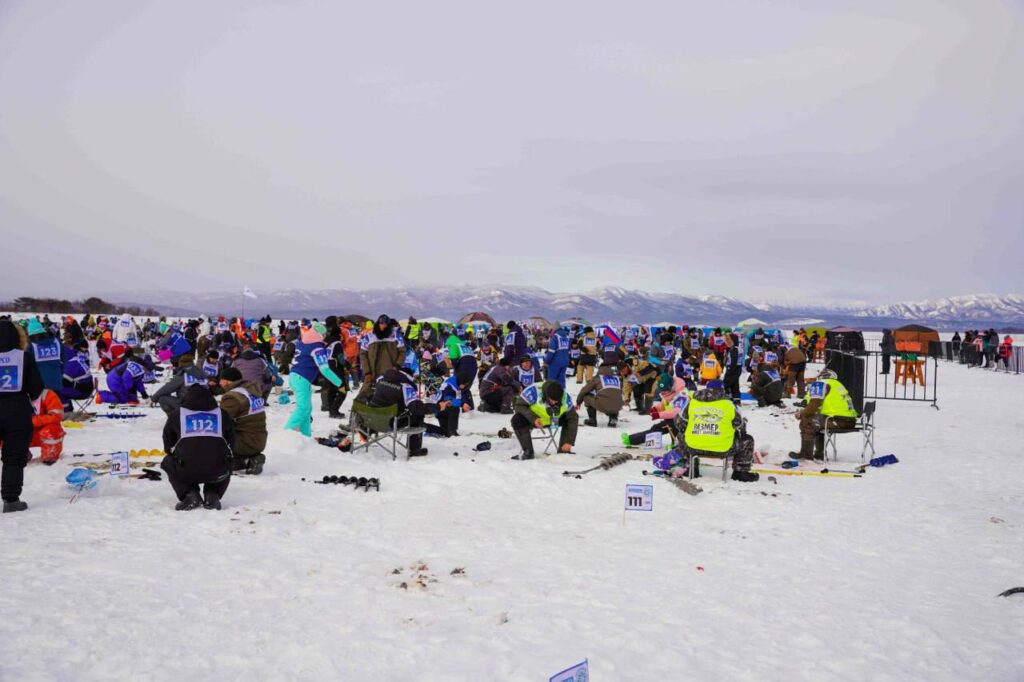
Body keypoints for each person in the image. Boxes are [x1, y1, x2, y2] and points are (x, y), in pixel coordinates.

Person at [160, 384, 235, 510]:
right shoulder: (221, 414)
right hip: (217, 470)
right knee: (228, 460)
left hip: (186, 469)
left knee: (168, 461)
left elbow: (168, 441)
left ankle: (189, 494)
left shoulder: (177, 414)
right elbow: (232, 440)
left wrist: (175, 453)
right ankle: (213, 494)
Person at [0, 320, 44, 512]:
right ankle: (11, 500)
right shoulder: (25, 357)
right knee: (13, 457)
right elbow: (36, 388)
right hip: (16, 411)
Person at [674, 381, 757, 481]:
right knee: (748, 440)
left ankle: (691, 467)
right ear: (722, 390)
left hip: (694, 447)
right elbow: (740, 427)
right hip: (723, 449)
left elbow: (679, 423)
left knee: (681, 435)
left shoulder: (692, 402)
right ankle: (740, 472)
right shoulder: (729, 404)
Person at [363, 366, 441, 457]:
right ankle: (414, 449)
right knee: (417, 414)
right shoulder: (405, 386)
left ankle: (365, 432)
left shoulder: (380, 379)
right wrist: (438, 407)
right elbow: (416, 408)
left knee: (379, 405)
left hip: (371, 419)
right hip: (390, 423)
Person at [285, 322, 344, 437]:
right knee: (303, 408)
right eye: (324, 335)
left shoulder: (303, 343)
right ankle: (287, 433)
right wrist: (339, 383)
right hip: (301, 379)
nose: (325, 337)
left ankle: (305, 435)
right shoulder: (317, 347)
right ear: (319, 334)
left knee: (307, 409)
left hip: (296, 377)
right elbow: (325, 369)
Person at [790, 370, 857, 460]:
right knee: (817, 422)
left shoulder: (821, 384)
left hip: (837, 420)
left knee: (807, 422)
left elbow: (814, 405)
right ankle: (818, 454)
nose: (808, 382)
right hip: (848, 421)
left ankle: (806, 454)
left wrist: (802, 414)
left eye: (809, 380)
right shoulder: (837, 384)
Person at [510, 380, 578, 460]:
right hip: (535, 420)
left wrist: (569, 441)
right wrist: (534, 418)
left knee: (570, 418)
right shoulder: (533, 391)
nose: (554, 402)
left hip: (555, 419)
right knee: (517, 420)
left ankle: (564, 451)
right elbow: (519, 406)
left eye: (556, 401)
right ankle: (528, 452)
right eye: (552, 400)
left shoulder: (565, 397)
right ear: (546, 395)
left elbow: (573, 417)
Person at [218, 367, 268, 474]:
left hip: (244, 442)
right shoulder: (249, 391)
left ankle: (246, 461)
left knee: (213, 452)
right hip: (258, 439)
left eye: (222, 379)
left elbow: (220, 420)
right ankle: (252, 458)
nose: (220, 382)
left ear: (228, 381)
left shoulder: (232, 397)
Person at [621, 374, 688, 446]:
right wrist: (656, 409)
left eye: (664, 391)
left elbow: (676, 412)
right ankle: (632, 439)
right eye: (661, 391)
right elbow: (664, 404)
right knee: (656, 428)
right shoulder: (669, 393)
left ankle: (679, 444)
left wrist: (658, 415)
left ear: (671, 387)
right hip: (673, 420)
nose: (662, 393)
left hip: (684, 422)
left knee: (671, 427)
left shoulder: (682, 394)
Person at [357, 315, 405, 400]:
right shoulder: (369, 336)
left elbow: (402, 352)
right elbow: (363, 354)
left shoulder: (395, 336)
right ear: (377, 323)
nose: (383, 326)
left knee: (389, 395)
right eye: (381, 323)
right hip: (372, 373)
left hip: (390, 373)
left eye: (385, 324)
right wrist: (367, 372)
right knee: (364, 394)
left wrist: (397, 366)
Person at [576, 361, 624, 427]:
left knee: (587, 397)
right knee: (614, 397)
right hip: (618, 405)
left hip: (604, 405)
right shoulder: (617, 378)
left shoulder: (597, 378)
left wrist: (578, 402)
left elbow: (584, 391)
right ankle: (613, 418)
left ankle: (592, 420)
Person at [27, 318, 66, 394]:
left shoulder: (31, 346)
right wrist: (59, 372)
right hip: (57, 382)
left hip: (39, 386)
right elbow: (64, 359)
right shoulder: (56, 341)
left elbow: (27, 365)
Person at [30, 387, 65, 464]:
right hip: (21, 433)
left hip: (42, 432)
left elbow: (56, 416)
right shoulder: (11, 395)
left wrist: (32, 421)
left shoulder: (47, 394)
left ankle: (50, 456)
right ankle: (18, 455)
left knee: (51, 430)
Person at [59, 339, 94, 410]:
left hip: (83, 391)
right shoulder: (77, 359)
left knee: (58, 391)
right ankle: (68, 408)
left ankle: (66, 411)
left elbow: (64, 381)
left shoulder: (72, 363)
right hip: (86, 387)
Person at [722, 333, 743, 405]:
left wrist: (730, 370)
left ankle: (728, 398)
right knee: (735, 385)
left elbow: (733, 361)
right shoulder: (738, 349)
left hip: (732, 369)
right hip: (737, 369)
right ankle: (736, 399)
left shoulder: (734, 350)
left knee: (727, 383)